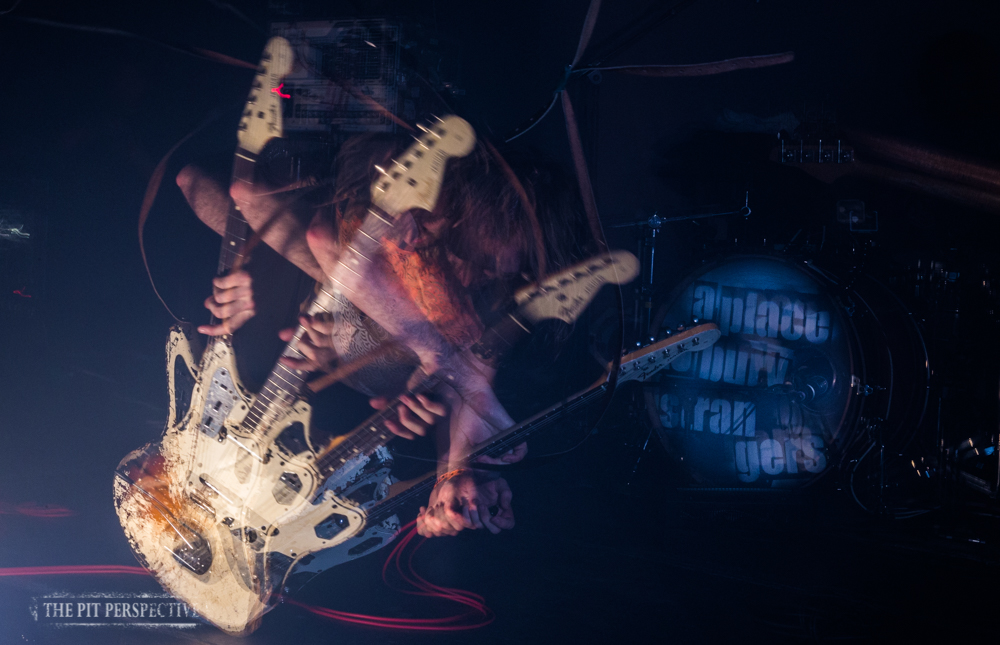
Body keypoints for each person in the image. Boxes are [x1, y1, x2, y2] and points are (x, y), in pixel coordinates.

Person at [176, 133, 587, 538]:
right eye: (470, 258)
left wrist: (457, 478)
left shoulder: (486, 308)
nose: (474, 279)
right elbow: (213, 186)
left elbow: (457, 399)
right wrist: (263, 272)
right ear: (449, 222)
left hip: (294, 461)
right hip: (234, 403)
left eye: (501, 273)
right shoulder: (393, 237)